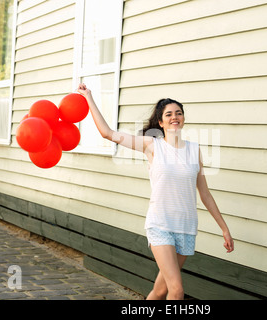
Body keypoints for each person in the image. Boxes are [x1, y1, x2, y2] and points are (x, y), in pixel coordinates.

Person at [77, 84, 234, 300]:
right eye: (168, 114)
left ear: (184, 118)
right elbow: (108, 133)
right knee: (176, 290)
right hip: (160, 225)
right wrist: (88, 97)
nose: (174, 117)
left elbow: (205, 194)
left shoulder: (194, 150)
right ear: (160, 122)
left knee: (160, 290)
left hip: (186, 227)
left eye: (178, 113)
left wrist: (224, 229)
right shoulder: (152, 145)